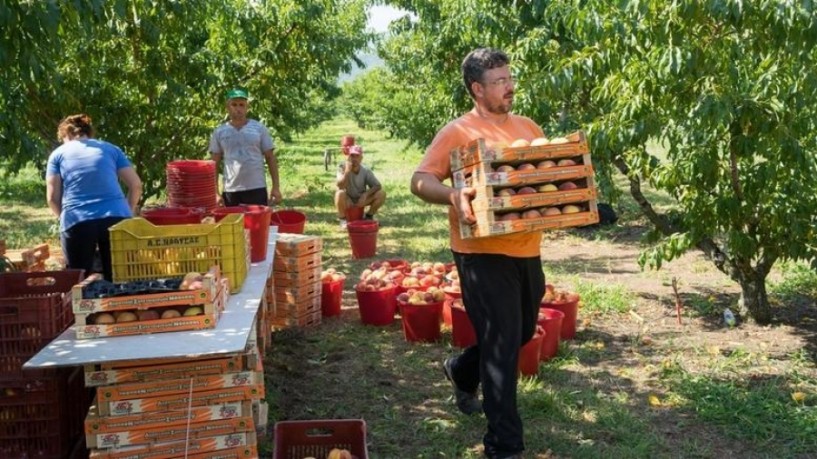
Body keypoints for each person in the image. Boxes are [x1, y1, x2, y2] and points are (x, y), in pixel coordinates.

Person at [410, 48, 545, 459]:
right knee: (502, 345)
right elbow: (419, 180)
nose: (510, 87)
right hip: (480, 251)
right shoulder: (458, 131)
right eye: (500, 81)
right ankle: (504, 445)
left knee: (519, 333)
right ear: (476, 88)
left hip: (526, 248)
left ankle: (461, 369)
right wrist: (453, 194)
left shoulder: (528, 126)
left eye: (510, 78)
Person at [46, 114, 143, 281]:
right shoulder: (111, 149)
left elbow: (52, 197)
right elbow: (136, 185)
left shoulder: (58, 154)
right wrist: (126, 212)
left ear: (65, 135)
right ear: (88, 133)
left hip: (78, 219)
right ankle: (120, 305)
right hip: (116, 219)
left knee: (78, 280)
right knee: (120, 279)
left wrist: (64, 218)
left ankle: (82, 304)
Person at [209, 88, 282, 207]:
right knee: (233, 224)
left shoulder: (259, 128)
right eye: (234, 104)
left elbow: (270, 157)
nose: (238, 108)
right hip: (231, 189)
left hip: (256, 187)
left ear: (247, 107)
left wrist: (276, 187)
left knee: (257, 224)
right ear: (227, 107)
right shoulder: (220, 132)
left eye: (242, 105)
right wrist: (215, 192)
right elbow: (214, 163)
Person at [335, 145, 386, 228]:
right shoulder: (342, 167)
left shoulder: (365, 170)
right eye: (352, 156)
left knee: (381, 193)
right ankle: (343, 219)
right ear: (348, 157)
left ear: (361, 158)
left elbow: (377, 186)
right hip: (348, 200)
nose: (354, 159)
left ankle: (369, 216)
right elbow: (340, 186)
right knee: (339, 194)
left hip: (361, 200)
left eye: (357, 156)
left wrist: (365, 195)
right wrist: (347, 172)